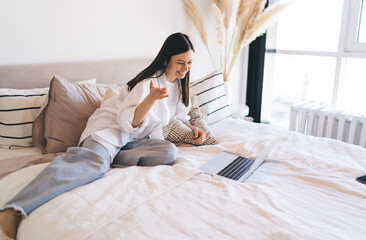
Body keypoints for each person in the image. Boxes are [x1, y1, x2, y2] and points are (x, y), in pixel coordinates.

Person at [0, 32, 207, 239]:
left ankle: (107, 158)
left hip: (133, 141)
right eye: (180, 62)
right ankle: (14, 208)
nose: (185, 68)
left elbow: (178, 114)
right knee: (94, 165)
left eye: (189, 63)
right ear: (166, 59)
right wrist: (151, 99)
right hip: (110, 132)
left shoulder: (179, 85)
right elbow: (130, 122)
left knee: (168, 152)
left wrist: (192, 128)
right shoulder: (148, 84)